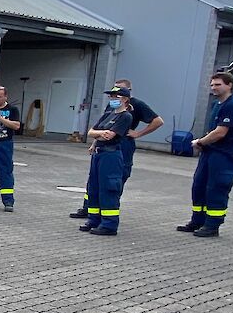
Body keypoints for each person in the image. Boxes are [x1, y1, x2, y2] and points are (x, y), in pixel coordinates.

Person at [68, 77, 164, 218]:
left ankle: (107, 212)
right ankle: (89, 209)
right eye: (112, 92)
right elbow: (100, 127)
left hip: (121, 146)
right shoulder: (112, 107)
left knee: (113, 181)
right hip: (103, 146)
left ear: (127, 94)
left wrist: (138, 133)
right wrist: (95, 143)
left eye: (117, 92)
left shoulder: (136, 106)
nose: (113, 95)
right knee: (95, 180)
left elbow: (158, 121)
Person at [177, 72, 233, 238]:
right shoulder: (217, 104)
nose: (214, 88)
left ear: (229, 85)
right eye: (212, 85)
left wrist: (200, 142)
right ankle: (198, 220)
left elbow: (220, 132)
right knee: (199, 187)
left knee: (216, 188)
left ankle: (212, 225)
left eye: (218, 84)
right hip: (210, 153)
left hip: (224, 155)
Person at [78, 85, 134, 234]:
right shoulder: (109, 114)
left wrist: (98, 133)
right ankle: (93, 219)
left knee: (108, 188)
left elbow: (111, 136)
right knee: (94, 188)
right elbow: (91, 132)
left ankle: (109, 224)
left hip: (111, 155)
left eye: (116, 96)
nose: (112, 99)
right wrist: (100, 133)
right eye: (111, 96)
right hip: (99, 154)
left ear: (125, 99)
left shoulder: (125, 116)